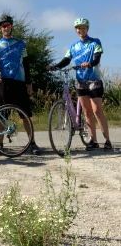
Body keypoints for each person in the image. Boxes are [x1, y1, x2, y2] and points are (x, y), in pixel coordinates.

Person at [46, 18, 112, 151]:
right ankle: (93, 141)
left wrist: (89, 64)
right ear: (76, 30)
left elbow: (97, 57)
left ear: (87, 29)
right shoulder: (73, 46)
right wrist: (54, 66)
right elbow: (66, 60)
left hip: (94, 80)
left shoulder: (95, 42)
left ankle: (107, 141)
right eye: (78, 28)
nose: (81, 30)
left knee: (97, 111)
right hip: (80, 82)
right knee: (87, 112)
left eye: (83, 28)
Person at [0, 15, 41, 155]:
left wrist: (29, 83)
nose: (6, 28)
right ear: (0, 29)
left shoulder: (20, 44)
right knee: (1, 115)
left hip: (19, 82)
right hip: (3, 82)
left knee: (25, 115)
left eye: (8, 25)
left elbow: (26, 64)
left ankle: (33, 144)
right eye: (4, 26)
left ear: (12, 27)